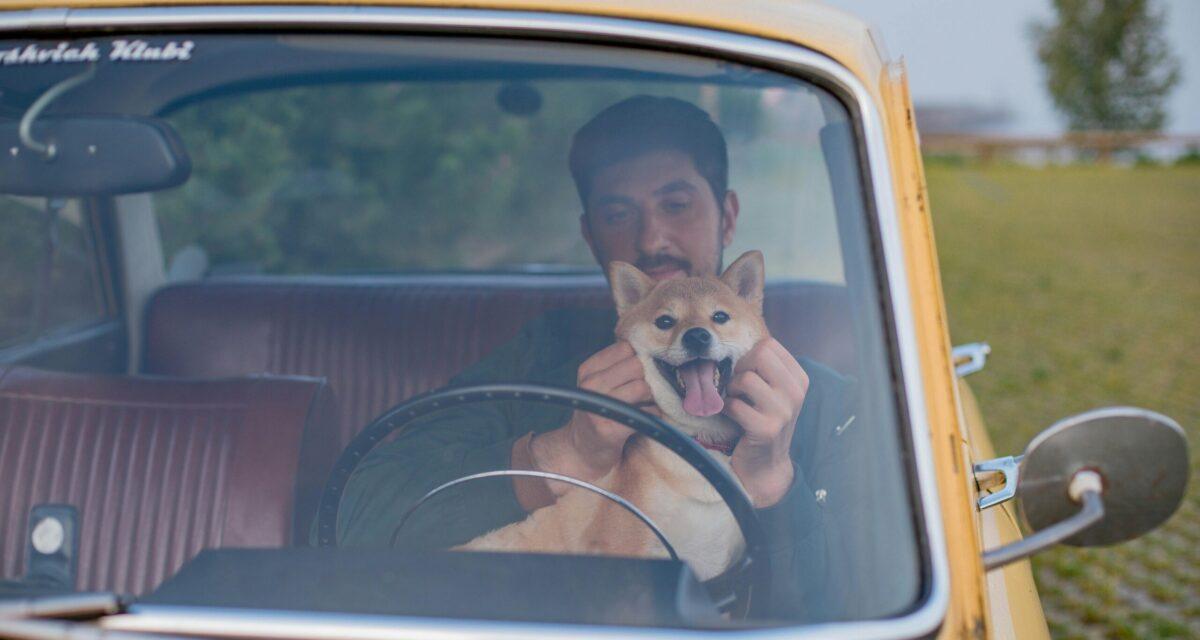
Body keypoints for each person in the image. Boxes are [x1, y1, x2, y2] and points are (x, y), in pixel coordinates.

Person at [336, 95, 860, 619]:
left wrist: (773, 480)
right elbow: (360, 520)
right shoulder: (539, 359)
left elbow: (863, 610)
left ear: (727, 217)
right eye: (617, 213)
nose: (651, 238)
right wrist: (564, 453)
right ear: (591, 237)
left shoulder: (823, 401)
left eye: (676, 205)